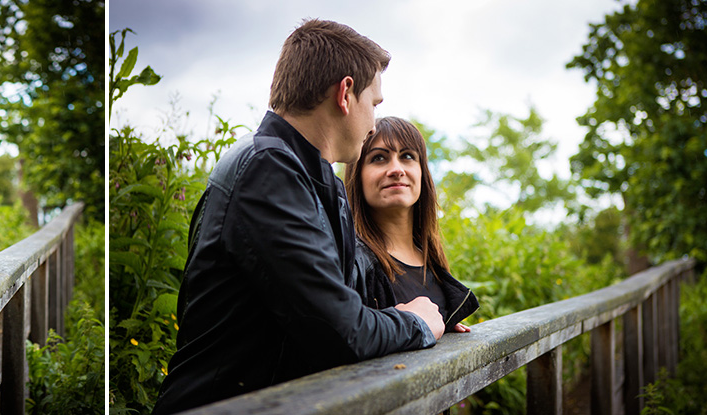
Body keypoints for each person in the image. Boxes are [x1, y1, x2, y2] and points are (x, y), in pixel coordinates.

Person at [152, 19, 442, 414]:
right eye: (374, 105)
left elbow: (341, 304)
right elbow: (341, 332)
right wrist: (417, 324)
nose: (373, 123)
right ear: (345, 94)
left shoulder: (319, 184)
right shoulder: (266, 170)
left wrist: (430, 311)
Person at [345, 116, 478, 334]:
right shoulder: (351, 262)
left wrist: (443, 319)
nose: (396, 169)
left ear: (422, 172)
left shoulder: (433, 264)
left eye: (407, 156)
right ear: (357, 175)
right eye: (379, 158)